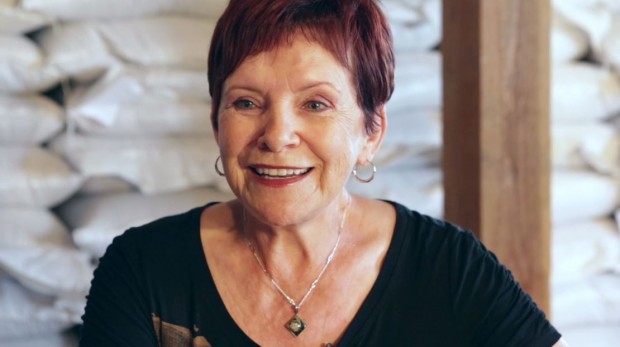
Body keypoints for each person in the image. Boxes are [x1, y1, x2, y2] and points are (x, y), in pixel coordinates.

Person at [79, 0, 569, 346]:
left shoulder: (449, 269)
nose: (277, 135)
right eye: (246, 103)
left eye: (316, 104)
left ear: (371, 131)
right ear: (216, 122)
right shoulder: (143, 270)